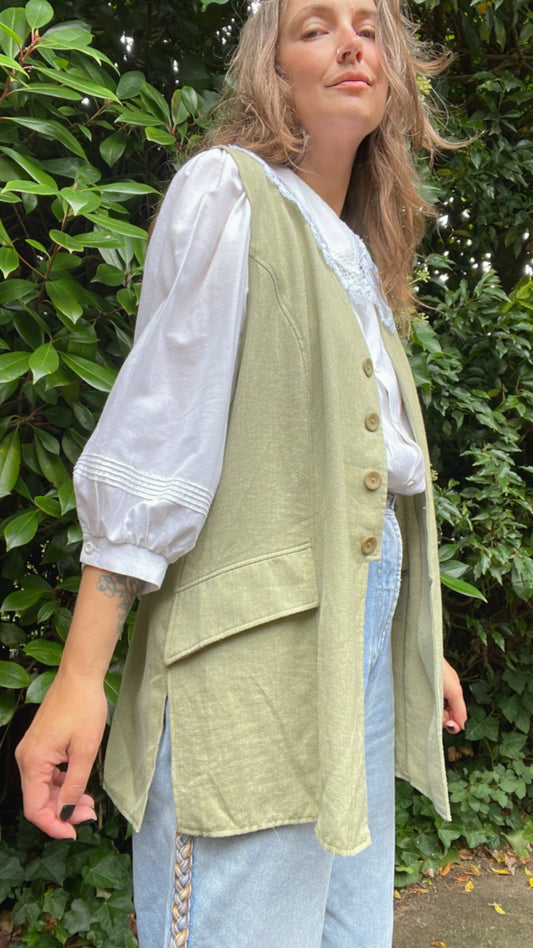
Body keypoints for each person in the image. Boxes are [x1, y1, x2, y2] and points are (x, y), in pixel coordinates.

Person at [16, 1, 467, 945]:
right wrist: (82, 676)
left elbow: (361, 474)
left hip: (353, 641)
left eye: (368, 27)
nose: (350, 43)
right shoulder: (229, 191)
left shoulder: (352, 250)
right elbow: (158, 438)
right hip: (252, 658)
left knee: (349, 933)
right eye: (315, 27)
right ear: (272, 69)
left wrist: (409, 639)